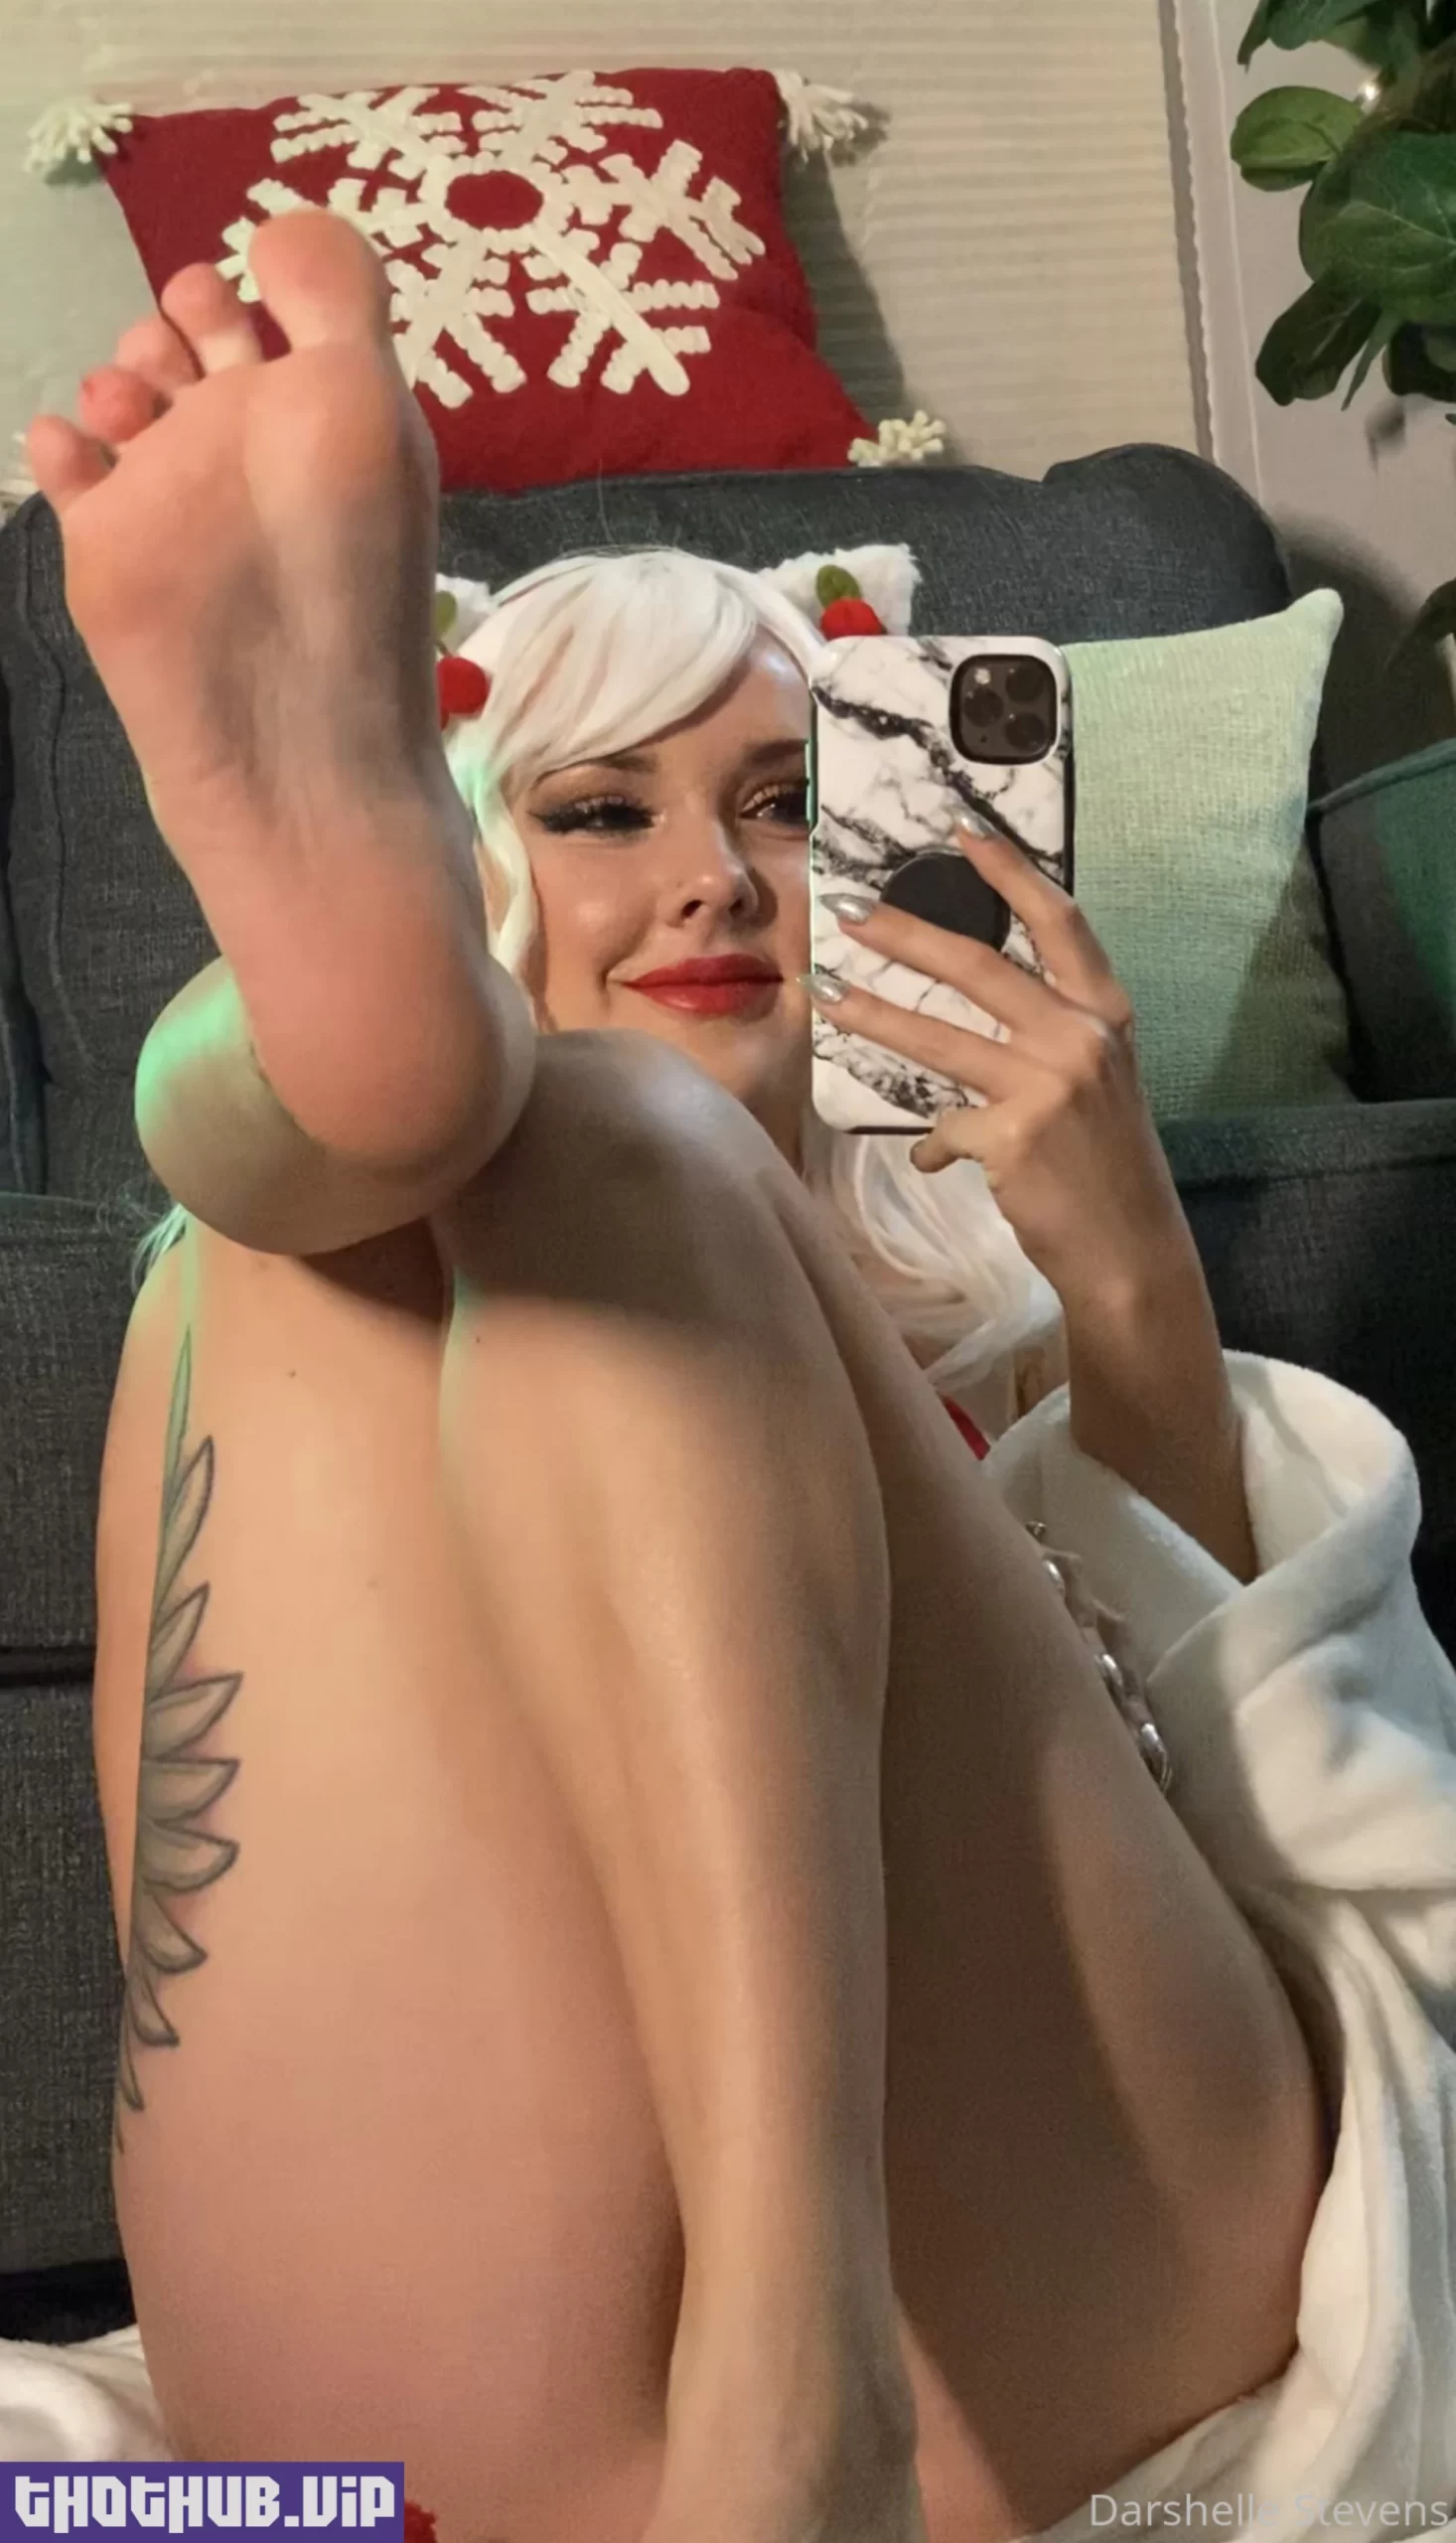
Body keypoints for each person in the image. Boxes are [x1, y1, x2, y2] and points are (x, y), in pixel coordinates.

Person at [19, 210, 1456, 2543]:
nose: (712, 878)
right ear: (483, 863)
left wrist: (1130, 1293)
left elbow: (1314, 1824)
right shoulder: (305, 1318)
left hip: (1057, 2294)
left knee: (593, 1146)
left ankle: (803, 2388)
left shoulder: (1008, 1316)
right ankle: (340, 1031)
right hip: (427, 2404)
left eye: (789, 805)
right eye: (600, 809)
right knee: (268, 1234)